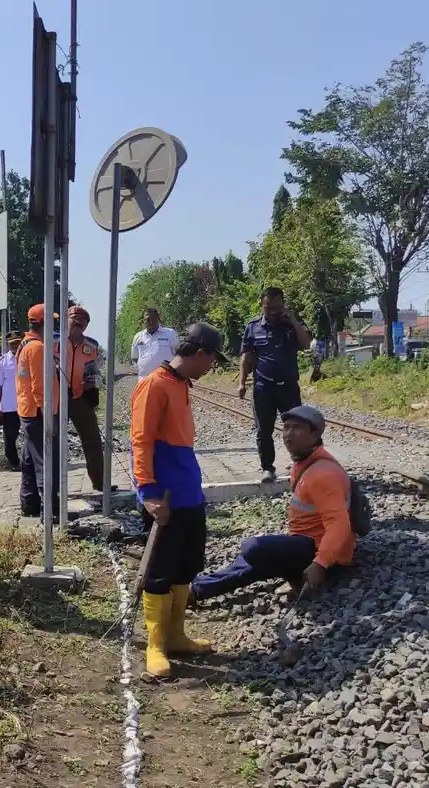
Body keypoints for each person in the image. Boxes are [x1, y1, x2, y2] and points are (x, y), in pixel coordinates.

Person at [131, 321, 223, 679]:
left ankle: (176, 634)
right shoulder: (154, 385)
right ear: (200, 354)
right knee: (159, 570)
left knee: (186, 564)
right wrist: (148, 493)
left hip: (188, 493)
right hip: (164, 497)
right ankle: (155, 645)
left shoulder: (182, 385)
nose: (212, 366)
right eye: (213, 359)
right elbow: (141, 441)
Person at [191, 405, 354, 604]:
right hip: (307, 541)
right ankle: (197, 589)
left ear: (315, 434)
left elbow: (339, 525)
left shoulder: (323, 474)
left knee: (254, 550)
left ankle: (297, 575)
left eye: (296, 428)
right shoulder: (305, 462)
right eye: (285, 428)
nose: (288, 434)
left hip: (323, 554)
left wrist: (320, 564)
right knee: (256, 560)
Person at [237, 287, 312, 483]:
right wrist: (242, 382)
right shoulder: (252, 327)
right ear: (262, 305)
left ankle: (301, 465)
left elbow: (305, 343)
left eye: (277, 307)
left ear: (283, 306)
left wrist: (293, 320)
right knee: (264, 430)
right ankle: (267, 468)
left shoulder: (291, 326)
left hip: (288, 387)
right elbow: (246, 356)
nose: (272, 312)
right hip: (263, 387)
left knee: (297, 427)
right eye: (268, 307)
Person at [15, 304, 61, 517]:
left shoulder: (27, 344)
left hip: (28, 410)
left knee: (29, 459)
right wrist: (47, 412)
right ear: (43, 322)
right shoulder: (37, 348)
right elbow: (39, 385)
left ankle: (29, 503)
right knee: (46, 461)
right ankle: (49, 511)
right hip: (38, 412)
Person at [64, 305, 109, 492]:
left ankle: (100, 483)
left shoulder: (92, 346)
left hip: (81, 398)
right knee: (52, 440)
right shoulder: (53, 341)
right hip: (57, 399)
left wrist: (94, 383)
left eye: (82, 321)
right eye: (74, 318)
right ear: (66, 319)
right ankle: (51, 487)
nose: (78, 323)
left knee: (93, 441)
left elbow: (97, 372)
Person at [0, 331, 24, 471]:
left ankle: (32, 463)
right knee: (9, 439)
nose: (15, 346)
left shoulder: (30, 357)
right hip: (10, 407)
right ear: (8, 344)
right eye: (12, 343)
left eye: (17, 342)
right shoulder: (2, 362)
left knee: (33, 436)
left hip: (29, 405)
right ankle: (15, 464)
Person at [130, 307, 179, 379]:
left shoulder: (170, 334)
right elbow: (135, 358)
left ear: (158, 319)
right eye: (148, 319)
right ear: (143, 321)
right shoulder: (138, 337)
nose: (151, 322)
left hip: (166, 380)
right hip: (144, 381)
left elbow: (178, 355)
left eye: (153, 319)